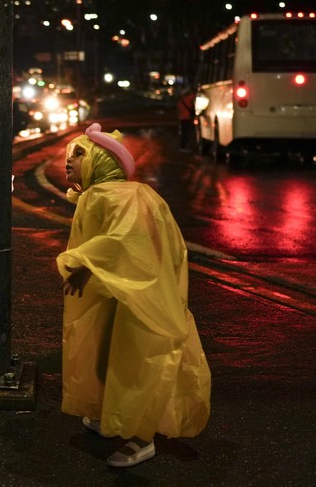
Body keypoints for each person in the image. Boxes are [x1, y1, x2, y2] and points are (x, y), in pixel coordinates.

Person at [56, 122, 211, 467]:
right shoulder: (104, 195)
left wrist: (84, 265)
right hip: (122, 294)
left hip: (141, 300)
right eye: (69, 155)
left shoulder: (121, 196)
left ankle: (141, 437)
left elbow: (127, 238)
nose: (69, 162)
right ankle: (112, 416)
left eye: (79, 154)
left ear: (101, 159)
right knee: (109, 358)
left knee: (139, 364)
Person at [176, 84, 196, 152]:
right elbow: (194, 96)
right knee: (187, 133)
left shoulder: (180, 102)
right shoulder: (188, 99)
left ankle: (183, 147)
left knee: (183, 133)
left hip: (182, 119)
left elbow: (178, 111)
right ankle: (184, 147)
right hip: (187, 118)